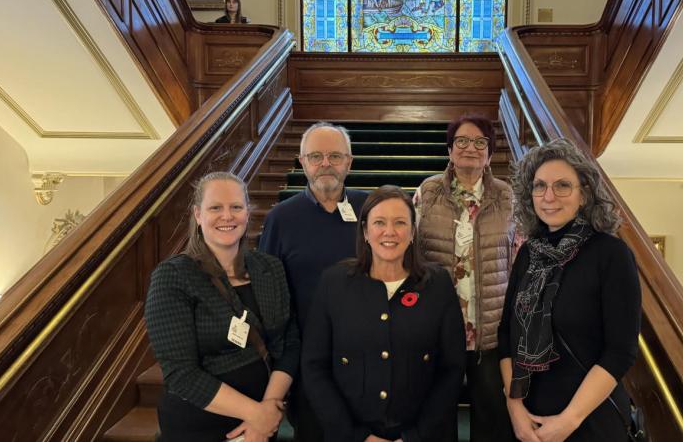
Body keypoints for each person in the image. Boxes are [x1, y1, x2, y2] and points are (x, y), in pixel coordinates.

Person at [497, 139, 641, 442]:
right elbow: (506, 335)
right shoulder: (528, 254)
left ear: (584, 194)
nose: (549, 196)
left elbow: (620, 351)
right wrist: (515, 409)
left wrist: (568, 421)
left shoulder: (610, 254)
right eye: (539, 186)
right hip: (529, 421)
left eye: (562, 185)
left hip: (588, 422)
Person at [302, 185, 466, 442]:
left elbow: (452, 369)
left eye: (400, 222)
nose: (389, 232)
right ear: (365, 231)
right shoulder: (333, 283)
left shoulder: (438, 284)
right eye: (379, 222)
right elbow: (314, 367)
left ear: (412, 232)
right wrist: (357, 437)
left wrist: (415, 437)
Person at [145, 172, 299, 442]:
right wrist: (257, 414)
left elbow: (290, 343)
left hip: (264, 421)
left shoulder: (270, 268)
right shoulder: (173, 276)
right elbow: (181, 373)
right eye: (215, 207)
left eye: (236, 207)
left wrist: (269, 408)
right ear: (197, 214)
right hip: (198, 426)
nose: (227, 216)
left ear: (247, 213)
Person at [258, 122, 369, 441]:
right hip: (308, 360)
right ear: (302, 161)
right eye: (316, 156)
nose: (325, 164)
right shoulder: (280, 217)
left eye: (335, 156)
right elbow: (269, 294)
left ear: (349, 161)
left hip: (368, 356)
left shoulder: (370, 210)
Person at [413, 114, 515, 441]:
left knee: (492, 416)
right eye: (462, 141)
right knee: (437, 416)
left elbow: (517, 258)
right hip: (439, 328)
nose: (470, 148)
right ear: (449, 149)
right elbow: (412, 251)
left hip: (489, 329)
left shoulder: (506, 197)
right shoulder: (427, 192)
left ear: (489, 153)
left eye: (480, 142)